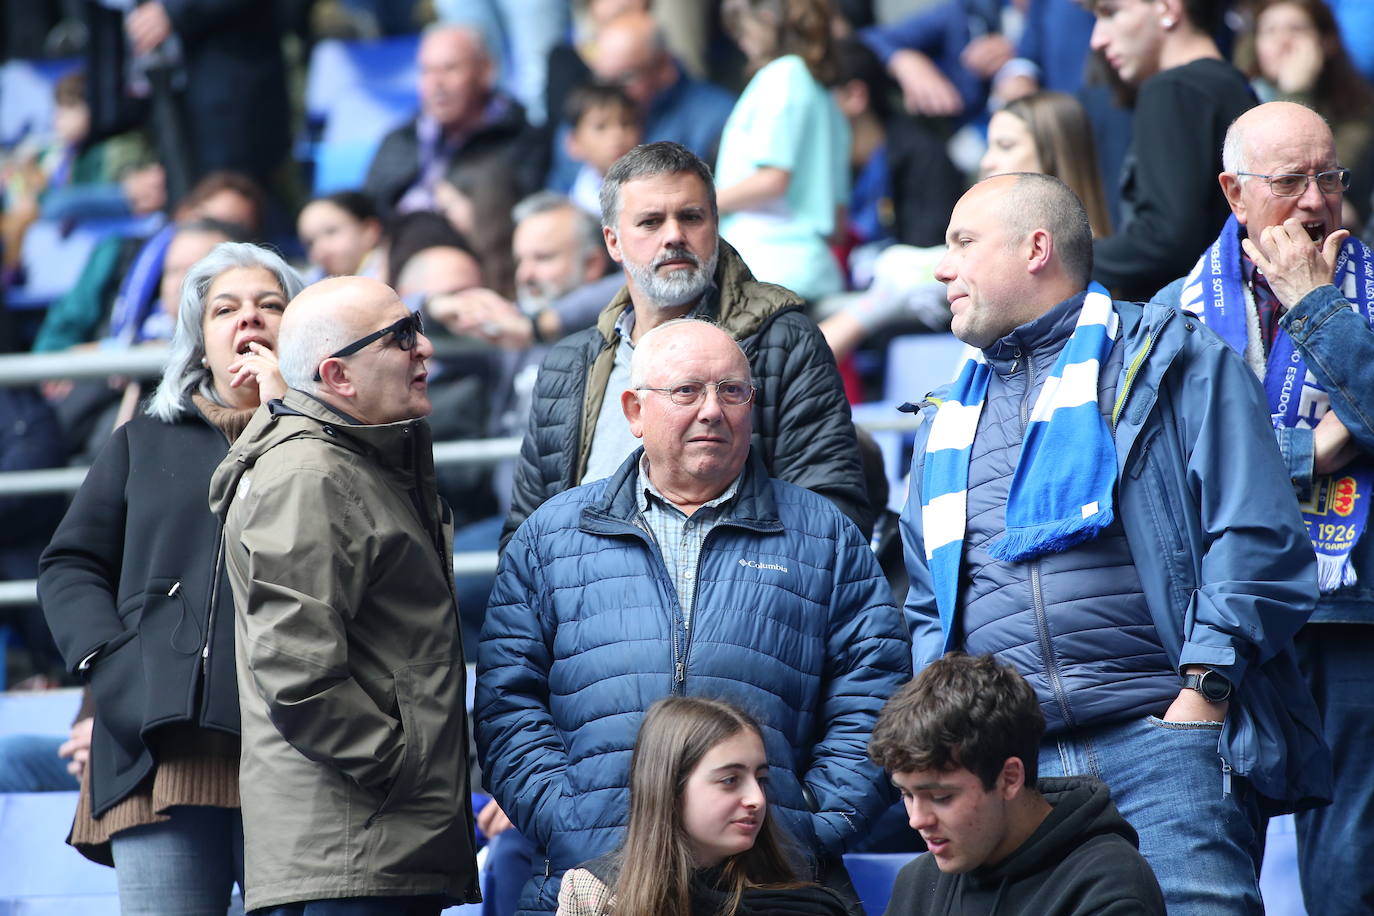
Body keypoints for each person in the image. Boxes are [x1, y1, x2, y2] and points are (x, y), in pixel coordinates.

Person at [900, 172, 1330, 913]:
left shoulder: (1169, 355)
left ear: (1036, 248)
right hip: (1014, 771)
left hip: (1162, 741)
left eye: (962, 243)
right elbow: (925, 606)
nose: (943, 268)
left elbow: (1255, 533)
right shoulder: (947, 418)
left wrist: (1203, 694)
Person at [479, 318, 910, 915]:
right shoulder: (550, 537)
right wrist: (571, 819)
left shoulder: (824, 535)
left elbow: (875, 697)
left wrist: (806, 821)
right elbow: (507, 705)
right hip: (596, 882)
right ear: (634, 411)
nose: (712, 410)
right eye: (687, 391)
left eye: (732, 391)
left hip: (774, 883)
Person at [1151, 100, 1373, 916]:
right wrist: (1312, 452)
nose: (1316, 201)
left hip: (1352, 614)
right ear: (1233, 192)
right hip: (1227, 612)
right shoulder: (1176, 308)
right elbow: (1180, 466)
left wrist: (1316, 306)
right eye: (1289, 181)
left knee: (1351, 868)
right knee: (1214, 853)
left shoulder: (1369, 292)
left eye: (1329, 177)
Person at [37, 242, 304, 910]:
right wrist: (110, 662)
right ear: (199, 342)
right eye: (225, 310)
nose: (249, 319)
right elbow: (70, 564)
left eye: (270, 305)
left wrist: (288, 420)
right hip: (156, 755)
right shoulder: (141, 440)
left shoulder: (326, 444)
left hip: (298, 756)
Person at [208, 276, 480, 914]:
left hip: (370, 847)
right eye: (401, 336)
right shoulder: (310, 475)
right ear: (337, 376)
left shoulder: (352, 461)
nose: (424, 348)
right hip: (350, 856)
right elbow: (298, 675)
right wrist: (408, 769)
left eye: (417, 326)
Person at [504, 141, 871, 548]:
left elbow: (833, 516)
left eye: (691, 217)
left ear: (715, 225)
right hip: (584, 587)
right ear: (613, 242)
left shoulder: (783, 341)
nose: (674, 236)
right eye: (650, 222)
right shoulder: (569, 364)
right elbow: (525, 536)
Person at [819, 90, 1110, 362]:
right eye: (989, 146)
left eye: (1005, 146)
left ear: (1038, 248)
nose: (987, 161)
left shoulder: (1104, 263)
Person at [869, 653, 1165, 915]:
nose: (917, 820)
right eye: (907, 795)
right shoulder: (917, 883)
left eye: (941, 796)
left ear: (1009, 778)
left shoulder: (1106, 885)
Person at [557, 696, 850, 916]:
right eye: (730, 780)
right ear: (671, 788)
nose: (757, 799)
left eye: (761, 780)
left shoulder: (807, 907)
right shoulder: (595, 892)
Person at [1087, 0, 1255, 300]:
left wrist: (1067, 261)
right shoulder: (1233, 84)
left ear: (1167, 8)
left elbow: (1165, 238)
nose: (1097, 40)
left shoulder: (1172, 88)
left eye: (1111, 12)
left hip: (1185, 316)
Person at [715, 0, 850, 301]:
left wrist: (700, 203)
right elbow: (838, 222)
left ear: (766, 18)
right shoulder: (824, 93)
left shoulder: (782, 76)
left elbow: (774, 178)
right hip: (811, 269)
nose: (740, 43)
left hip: (766, 269)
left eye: (741, 30)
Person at [364, 24, 540, 218]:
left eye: (450, 68)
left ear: (485, 71)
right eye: (427, 71)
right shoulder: (400, 139)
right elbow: (367, 210)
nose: (437, 83)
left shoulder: (521, 140)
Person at [1245, 0, 1374, 225]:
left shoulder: (1359, 107)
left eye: (1296, 29)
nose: (1283, 41)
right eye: (1269, 31)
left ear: (1327, 42)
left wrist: (1295, 93)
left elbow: (1324, 179)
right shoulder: (1242, 98)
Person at [564, 82, 643, 218]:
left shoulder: (656, 189)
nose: (618, 135)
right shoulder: (573, 202)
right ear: (574, 142)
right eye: (600, 127)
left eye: (626, 123)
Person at [296, 190, 385, 282]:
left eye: (331, 231)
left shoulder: (390, 274)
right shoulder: (312, 281)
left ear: (369, 230)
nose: (319, 251)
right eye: (310, 244)